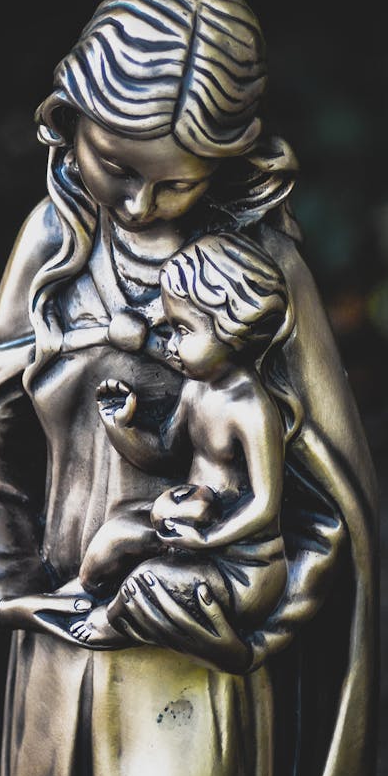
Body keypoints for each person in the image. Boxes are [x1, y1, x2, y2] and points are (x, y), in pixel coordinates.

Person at [0, 0, 378, 776]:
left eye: (174, 186)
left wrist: (251, 622)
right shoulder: (51, 247)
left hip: (191, 673)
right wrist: (6, 582)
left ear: (226, 166)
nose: (137, 205)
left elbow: (330, 504)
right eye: (118, 168)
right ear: (68, 123)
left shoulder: (260, 274)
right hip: (58, 645)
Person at [72, 233, 296, 639]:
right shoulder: (197, 389)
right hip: (187, 530)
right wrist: (121, 427)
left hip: (242, 563)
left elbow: (265, 505)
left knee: (151, 580)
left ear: (231, 330)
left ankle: (114, 622)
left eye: (182, 330)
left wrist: (208, 538)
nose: (169, 345)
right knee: (116, 535)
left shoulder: (251, 410)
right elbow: (164, 453)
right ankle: (83, 592)